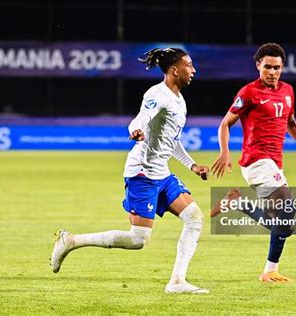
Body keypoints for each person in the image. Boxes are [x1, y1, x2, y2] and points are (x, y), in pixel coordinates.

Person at [51, 48, 210, 294]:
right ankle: (70, 240)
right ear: (174, 70)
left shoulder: (179, 99)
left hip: (162, 173)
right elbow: (141, 117)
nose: (194, 70)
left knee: (194, 218)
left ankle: (177, 282)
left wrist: (192, 165)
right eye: (189, 65)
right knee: (138, 240)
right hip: (142, 173)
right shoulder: (158, 94)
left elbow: (171, 140)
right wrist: (135, 129)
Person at [210, 43, 296, 283]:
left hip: (274, 163)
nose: (272, 72)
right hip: (256, 160)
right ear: (258, 66)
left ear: (282, 67)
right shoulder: (248, 92)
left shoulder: (288, 91)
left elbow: (291, 124)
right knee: (287, 212)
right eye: (267, 67)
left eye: (277, 68)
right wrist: (225, 153)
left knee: (283, 223)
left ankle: (238, 203)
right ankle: (269, 271)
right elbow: (225, 124)